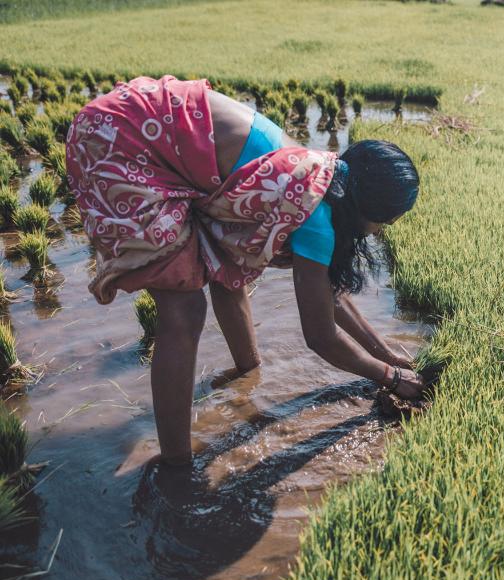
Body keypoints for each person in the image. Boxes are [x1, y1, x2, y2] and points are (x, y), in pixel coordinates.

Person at [65, 75, 424, 466]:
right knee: (183, 312)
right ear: (367, 210)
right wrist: (390, 377)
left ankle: (245, 371)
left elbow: (326, 294)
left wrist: (387, 354)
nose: (377, 232)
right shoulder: (315, 214)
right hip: (122, 145)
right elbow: (320, 335)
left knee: (222, 268)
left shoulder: (311, 176)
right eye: (383, 224)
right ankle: (177, 468)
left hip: (130, 122)